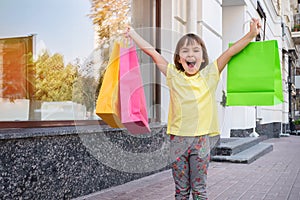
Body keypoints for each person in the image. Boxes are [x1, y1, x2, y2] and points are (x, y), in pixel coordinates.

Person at [126, 18, 261, 199]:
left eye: (196, 50)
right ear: (179, 58)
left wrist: (251, 35)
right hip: (177, 141)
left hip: (200, 142)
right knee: (181, 191)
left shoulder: (210, 74)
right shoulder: (173, 74)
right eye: (185, 51)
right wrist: (132, 33)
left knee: (199, 190)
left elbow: (230, 52)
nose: (191, 54)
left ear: (202, 57)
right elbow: (153, 53)